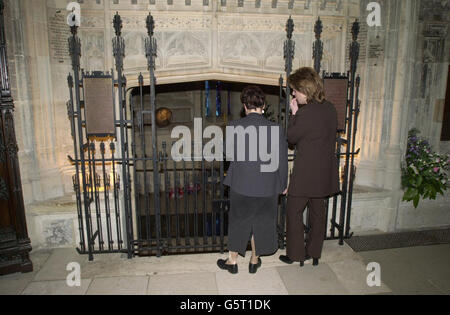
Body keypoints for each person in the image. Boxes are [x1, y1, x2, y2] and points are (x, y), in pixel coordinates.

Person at [217, 85, 288, 274]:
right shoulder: (276, 129)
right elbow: (282, 160)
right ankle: (254, 261)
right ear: (263, 105)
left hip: (241, 184)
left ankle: (232, 262)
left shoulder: (234, 127)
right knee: (261, 223)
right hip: (267, 186)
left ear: (245, 106)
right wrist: (283, 184)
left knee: (239, 221)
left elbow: (228, 154)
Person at [279, 67, 339, 267]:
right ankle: (314, 253)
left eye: (295, 90)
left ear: (305, 89)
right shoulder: (330, 108)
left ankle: (296, 254)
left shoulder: (305, 113)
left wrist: (295, 113)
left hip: (306, 173)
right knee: (317, 213)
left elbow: (291, 137)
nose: (293, 94)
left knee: (294, 211)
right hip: (324, 172)